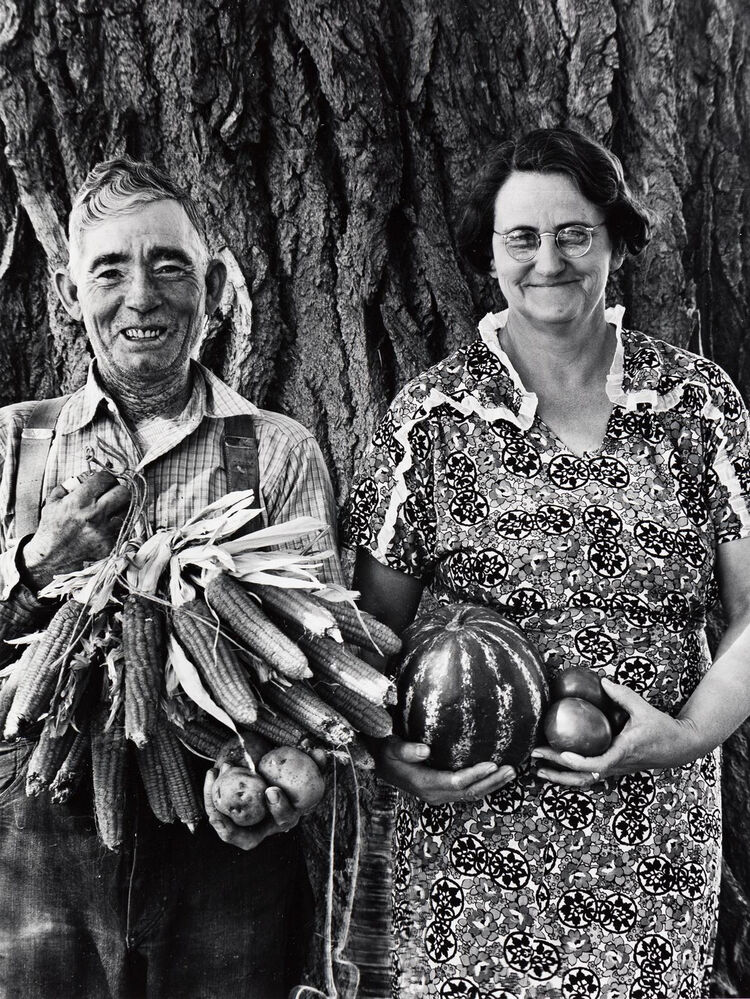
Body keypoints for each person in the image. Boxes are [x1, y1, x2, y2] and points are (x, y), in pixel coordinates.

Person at [344, 127, 750, 998]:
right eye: (521, 237)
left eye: (575, 233)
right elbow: (364, 641)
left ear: (615, 242)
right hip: (473, 845)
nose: (549, 260)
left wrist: (683, 735)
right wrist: (390, 758)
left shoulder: (698, 403)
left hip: (654, 839)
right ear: (489, 255)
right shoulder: (432, 419)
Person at [0, 159, 355, 999]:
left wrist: (280, 774)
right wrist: (38, 560)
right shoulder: (14, 446)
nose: (142, 295)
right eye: (110, 269)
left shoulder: (276, 449)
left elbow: (320, 660)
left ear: (215, 282)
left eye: (169, 264)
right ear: (66, 290)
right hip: (39, 842)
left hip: (224, 847)